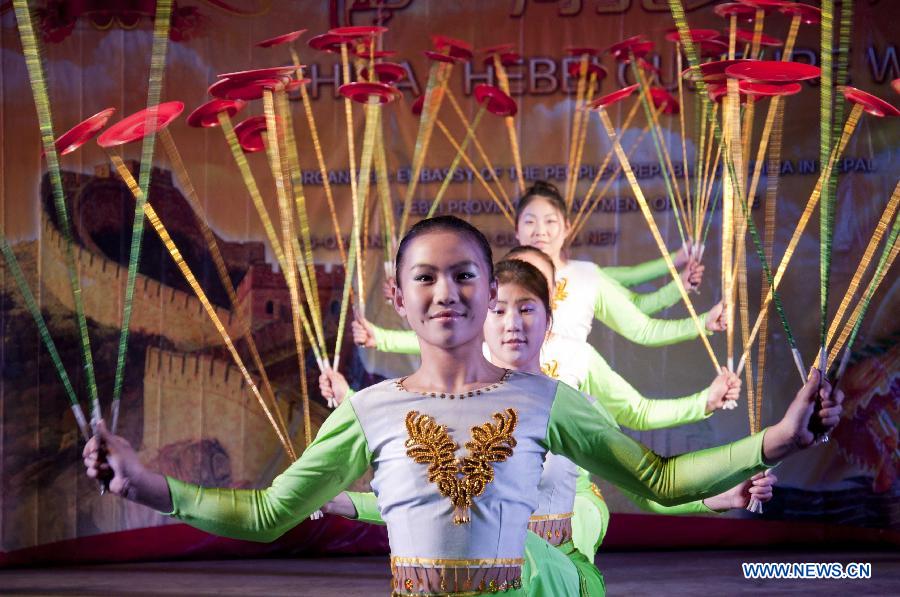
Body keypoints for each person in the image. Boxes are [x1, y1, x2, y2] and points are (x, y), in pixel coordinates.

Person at [85, 216, 841, 597]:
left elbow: (661, 481)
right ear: (400, 299)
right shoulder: (370, 409)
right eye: (426, 277)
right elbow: (266, 514)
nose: (446, 291)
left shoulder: (547, 399)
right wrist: (144, 483)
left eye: (464, 275)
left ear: (490, 290)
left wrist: (775, 436)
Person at [320, 258, 776, 594]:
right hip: (486, 570)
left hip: (562, 574)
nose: (512, 323)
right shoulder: (459, 410)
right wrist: (341, 501)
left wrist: (718, 495)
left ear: (549, 319)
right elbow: (428, 505)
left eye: (528, 308)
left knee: (497, 548)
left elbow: (650, 483)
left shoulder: (574, 404)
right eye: (498, 310)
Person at [514, 180, 724, 345]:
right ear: (516, 230)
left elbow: (640, 321)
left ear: (567, 227)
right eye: (530, 222)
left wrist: (700, 317)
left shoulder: (586, 276)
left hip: (564, 392)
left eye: (550, 221)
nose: (540, 231)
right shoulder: (497, 283)